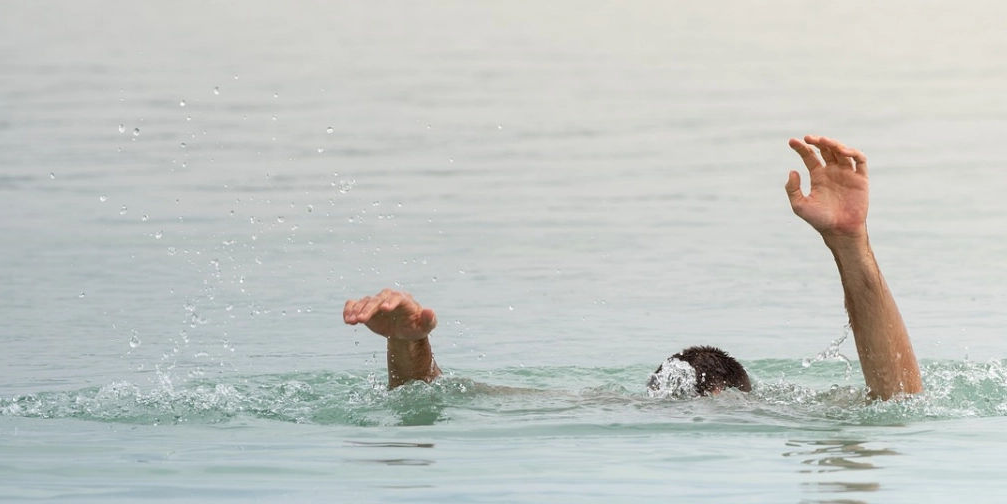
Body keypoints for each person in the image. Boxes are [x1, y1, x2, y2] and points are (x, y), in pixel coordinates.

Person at [343, 136, 923, 400]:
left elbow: (433, 397)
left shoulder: (601, 406)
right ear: (740, 398)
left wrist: (407, 349)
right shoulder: (779, 417)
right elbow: (898, 400)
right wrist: (852, 249)